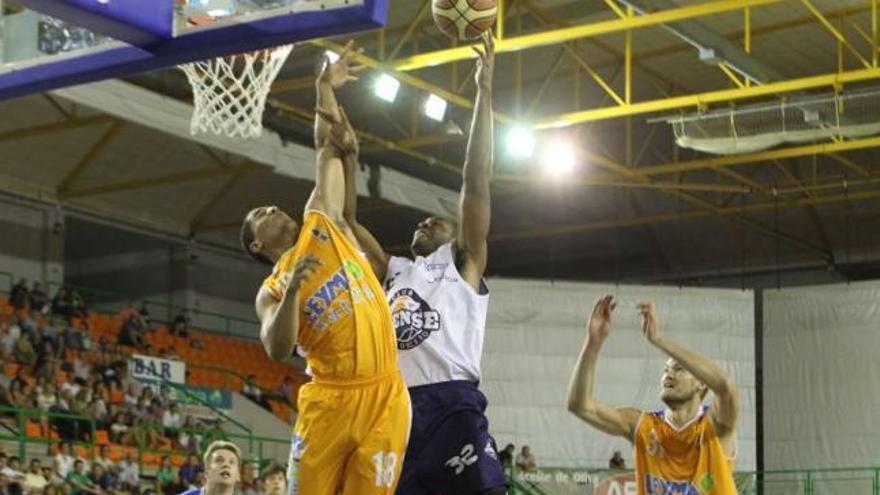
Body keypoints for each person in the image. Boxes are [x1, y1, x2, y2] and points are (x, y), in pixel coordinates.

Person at [241, 41, 409, 495]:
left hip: (385, 392)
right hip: (330, 401)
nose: (274, 208)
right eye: (262, 213)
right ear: (258, 244)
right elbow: (277, 350)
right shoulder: (271, 287)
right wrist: (294, 289)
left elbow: (324, 146)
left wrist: (323, 88)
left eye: (273, 205)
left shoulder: (322, 219)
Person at [339, 33, 502, 495]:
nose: (428, 220)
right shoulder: (394, 273)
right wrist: (348, 157)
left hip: (451, 400)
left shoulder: (463, 262)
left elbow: (476, 178)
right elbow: (346, 222)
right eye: (425, 219)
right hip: (395, 409)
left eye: (439, 220)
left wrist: (484, 93)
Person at [567, 297, 739, 495]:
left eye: (678, 369)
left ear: (701, 383)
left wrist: (658, 339)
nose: (668, 374)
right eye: (665, 369)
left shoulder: (717, 425)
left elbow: (725, 387)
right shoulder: (642, 425)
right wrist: (593, 342)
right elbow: (579, 405)